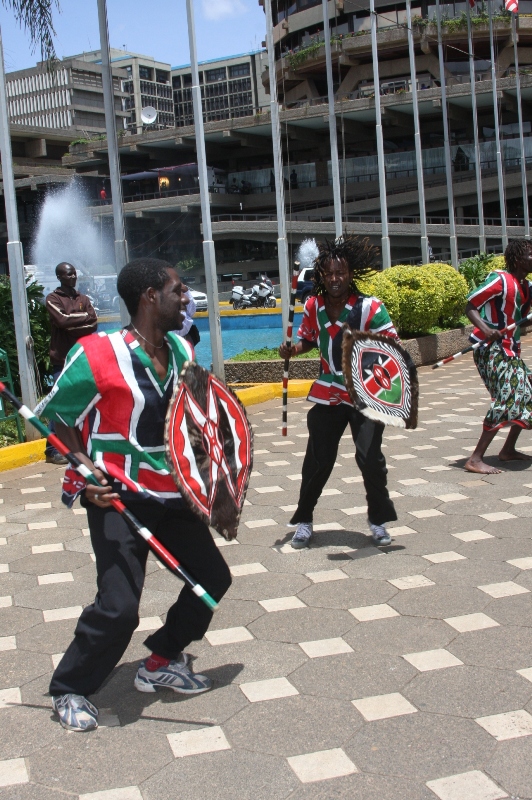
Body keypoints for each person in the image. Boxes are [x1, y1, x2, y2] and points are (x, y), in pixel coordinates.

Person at [35, 258, 232, 732]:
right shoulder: (96, 353)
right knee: (120, 607)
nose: (186, 298)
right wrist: (85, 473)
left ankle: (161, 659)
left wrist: (212, 465)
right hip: (117, 498)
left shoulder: (182, 350)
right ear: (149, 296)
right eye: (178, 290)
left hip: (172, 493)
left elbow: (196, 417)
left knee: (211, 581)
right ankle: (70, 688)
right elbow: (57, 422)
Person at [279, 236, 399, 549]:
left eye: (340, 273)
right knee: (317, 461)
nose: (335, 279)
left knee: (370, 460)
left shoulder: (369, 307)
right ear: (321, 275)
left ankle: (378, 521)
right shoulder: (313, 306)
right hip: (327, 393)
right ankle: (304, 520)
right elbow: (308, 339)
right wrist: (293, 349)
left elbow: (392, 344)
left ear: (350, 274)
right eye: (329, 273)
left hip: (363, 396)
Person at [465, 239, 532, 474]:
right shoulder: (500, 279)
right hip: (491, 349)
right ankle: (475, 458)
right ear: (517, 259)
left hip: (511, 350)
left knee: (528, 394)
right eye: (530, 254)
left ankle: (508, 450)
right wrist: (485, 329)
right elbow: (470, 305)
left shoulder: (527, 287)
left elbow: (520, 319)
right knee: (507, 395)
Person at [44, 262, 98, 465]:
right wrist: (82, 319)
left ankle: (85, 446)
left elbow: (93, 322)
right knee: (60, 403)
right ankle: (52, 449)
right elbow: (61, 320)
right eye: (68, 274)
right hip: (63, 360)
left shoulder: (83, 298)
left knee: (88, 402)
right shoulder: (53, 299)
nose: (73, 277)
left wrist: (72, 322)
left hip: (82, 358)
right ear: (59, 277)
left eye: (74, 273)